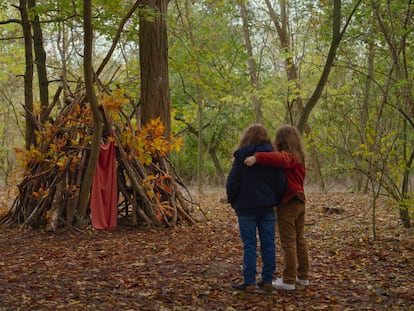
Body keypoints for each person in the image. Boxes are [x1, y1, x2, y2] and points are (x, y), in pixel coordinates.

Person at [244, 124, 309, 290]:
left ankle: (288, 280)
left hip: (289, 202)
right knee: (299, 240)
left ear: (281, 140)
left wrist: (257, 157)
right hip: (300, 201)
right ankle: (302, 277)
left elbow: (280, 159)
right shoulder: (299, 156)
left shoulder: (290, 157)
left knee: (289, 242)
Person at [226, 124, 286, 292]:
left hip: (245, 208)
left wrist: (233, 201)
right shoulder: (273, 157)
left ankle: (250, 281)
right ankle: (267, 279)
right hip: (267, 207)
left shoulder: (241, 158)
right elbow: (281, 182)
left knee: (250, 244)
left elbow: (232, 182)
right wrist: (276, 199)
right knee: (268, 243)